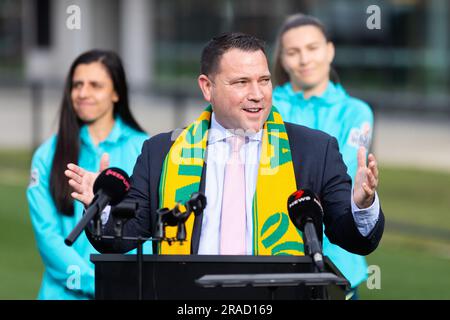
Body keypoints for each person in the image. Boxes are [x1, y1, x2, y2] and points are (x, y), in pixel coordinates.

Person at [65, 33, 384, 262]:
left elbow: (353, 237)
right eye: (241, 82)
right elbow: (124, 236)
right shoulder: (161, 152)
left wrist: (362, 204)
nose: (257, 94)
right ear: (207, 87)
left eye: (264, 80)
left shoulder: (314, 150)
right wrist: (101, 204)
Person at [26, 50, 150, 300]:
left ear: (116, 93)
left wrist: (127, 286)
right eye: (77, 85)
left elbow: (147, 233)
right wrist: (98, 284)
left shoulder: (145, 149)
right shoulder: (46, 155)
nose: (83, 93)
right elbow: (48, 237)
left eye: (95, 85)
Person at [272, 13, 374, 299]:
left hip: (338, 258)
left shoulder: (356, 112)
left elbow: (342, 180)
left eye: (312, 48)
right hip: (275, 248)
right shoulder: (265, 103)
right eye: (293, 52)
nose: (304, 60)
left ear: (330, 50)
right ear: (282, 59)